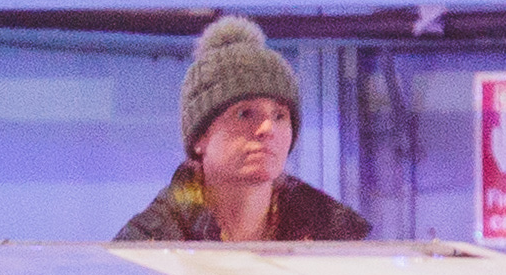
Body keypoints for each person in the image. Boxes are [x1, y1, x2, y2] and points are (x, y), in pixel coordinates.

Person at [116, 14, 373, 245]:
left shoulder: (333, 236)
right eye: (244, 113)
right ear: (199, 137)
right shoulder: (149, 242)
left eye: (280, 115)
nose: (267, 128)